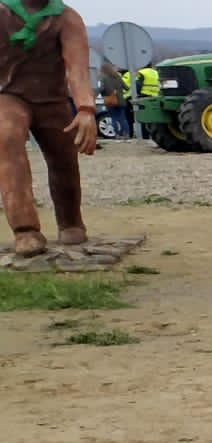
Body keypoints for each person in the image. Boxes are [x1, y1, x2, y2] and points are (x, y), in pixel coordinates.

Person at [0, 0, 97, 257]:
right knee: (7, 137)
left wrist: (85, 109)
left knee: (64, 157)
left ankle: (70, 221)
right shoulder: (3, 13)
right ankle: (25, 229)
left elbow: (77, 68)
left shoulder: (66, 18)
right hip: (8, 96)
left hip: (53, 100)